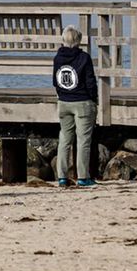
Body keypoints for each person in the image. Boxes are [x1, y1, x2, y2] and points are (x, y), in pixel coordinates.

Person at [52, 26, 99, 187]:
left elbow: (55, 81)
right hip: (82, 102)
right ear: (78, 41)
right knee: (83, 140)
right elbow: (90, 82)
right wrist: (94, 99)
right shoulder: (84, 58)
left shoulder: (57, 58)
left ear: (63, 40)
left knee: (64, 139)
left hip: (64, 102)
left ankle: (62, 177)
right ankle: (83, 177)